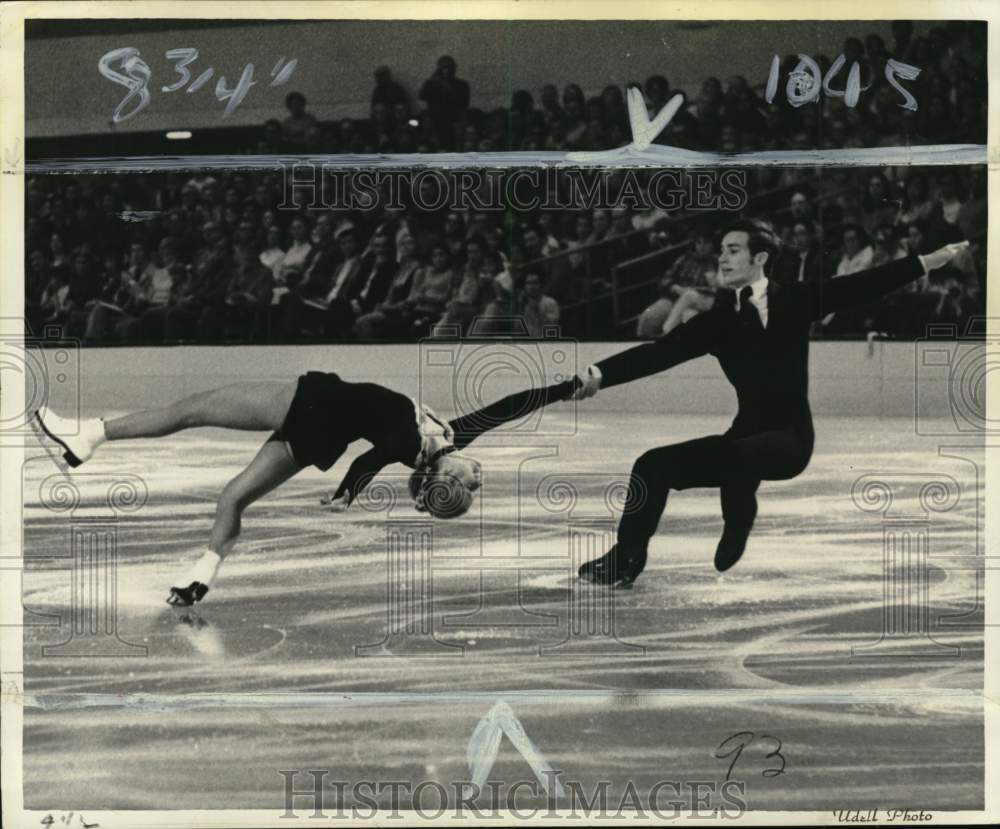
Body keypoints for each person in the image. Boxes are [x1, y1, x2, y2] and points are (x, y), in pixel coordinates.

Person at [569, 219, 968, 588]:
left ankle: (738, 521)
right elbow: (658, 353)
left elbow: (862, 286)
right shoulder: (718, 321)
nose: (722, 257)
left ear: (759, 257)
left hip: (789, 439)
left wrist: (927, 261)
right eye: (721, 250)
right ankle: (626, 557)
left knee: (737, 457)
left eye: (733, 249)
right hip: (743, 437)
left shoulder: (795, 299)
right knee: (652, 465)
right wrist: (599, 374)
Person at [33, 372, 578, 607]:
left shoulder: (417, 445)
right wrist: (562, 389)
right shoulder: (446, 438)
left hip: (313, 403)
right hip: (321, 433)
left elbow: (377, 452)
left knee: (190, 409)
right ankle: (200, 575)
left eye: (468, 486)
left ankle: (89, 435)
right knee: (234, 497)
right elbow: (510, 407)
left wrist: (350, 489)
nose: (479, 479)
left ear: (444, 478)